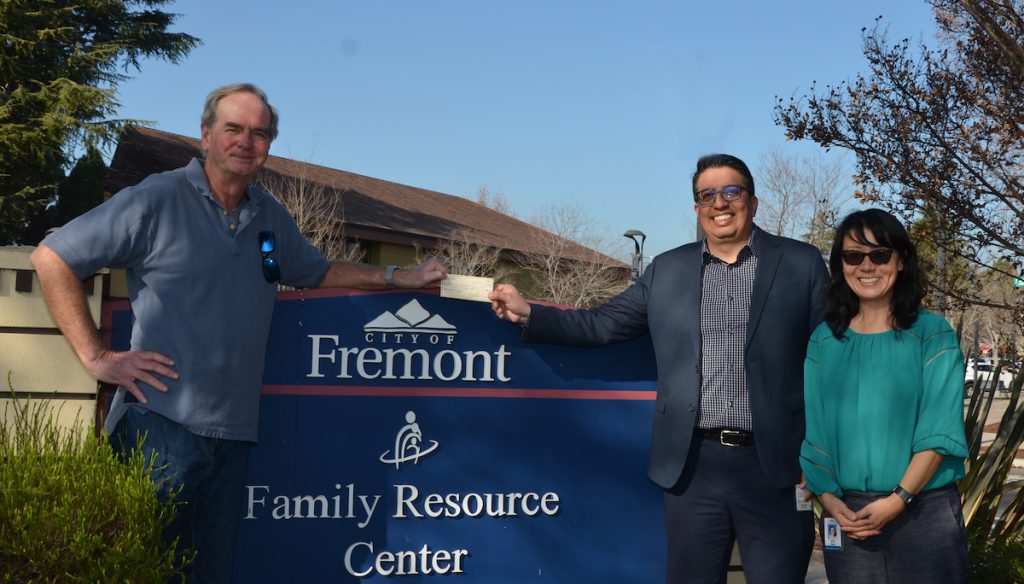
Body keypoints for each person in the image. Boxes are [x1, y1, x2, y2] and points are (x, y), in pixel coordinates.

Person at [30, 83, 447, 583]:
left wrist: (399, 278)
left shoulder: (268, 216)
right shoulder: (156, 199)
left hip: (233, 439)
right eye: (233, 129)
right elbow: (52, 257)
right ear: (205, 135)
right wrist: (97, 357)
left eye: (259, 133)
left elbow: (314, 270)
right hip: (159, 426)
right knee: (143, 572)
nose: (245, 142)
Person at [489, 153, 828, 583]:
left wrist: (820, 455)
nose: (720, 204)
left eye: (731, 192)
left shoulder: (801, 263)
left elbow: (828, 361)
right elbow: (602, 323)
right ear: (697, 209)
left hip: (776, 467)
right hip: (692, 467)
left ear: (753, 202)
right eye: (708, 195)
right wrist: (529, 313)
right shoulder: (668, 269)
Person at [800, 209, 968, 583]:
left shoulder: (933, 334)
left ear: (901, 260)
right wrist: (830, 501)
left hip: (922, 510)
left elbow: (939, 431)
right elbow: (817, 434)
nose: (866, 266)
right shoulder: (824, 341)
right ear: (840, 265)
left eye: (879, 254)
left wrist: (897, 501)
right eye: (853, 256)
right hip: (848, 515)